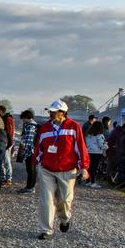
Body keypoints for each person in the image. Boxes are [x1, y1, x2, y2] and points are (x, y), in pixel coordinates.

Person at [34, 99, 89, 239]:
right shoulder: (45, 128)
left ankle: (65, 218)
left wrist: (84, 167)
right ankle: (46, 230)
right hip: (47, 169)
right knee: (46, 199)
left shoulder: (74, 127)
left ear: (63, 113)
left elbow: (81, 148)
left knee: (65, 200)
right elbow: (39, 148)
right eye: (50, 111)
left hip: (67, 169)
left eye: (54, 111)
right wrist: (37, 163)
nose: (51, 114)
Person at [15, 109, 39, 193]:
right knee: (31, 170)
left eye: (23, 118)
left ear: (27, 117)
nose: (22, 120)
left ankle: (30, 187)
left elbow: (28, 140)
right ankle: (29, 186)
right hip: (33, 151)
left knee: (31, 170)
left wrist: (23, 150)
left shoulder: (30, 126)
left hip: (31, 151)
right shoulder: (33, 125)